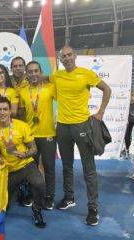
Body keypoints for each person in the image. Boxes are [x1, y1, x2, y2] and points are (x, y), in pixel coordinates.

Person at [40, 46, 111, 226]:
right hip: (63, 127)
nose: (67, 58)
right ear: (60, 60)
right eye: (63, 56)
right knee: (66, 165)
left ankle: (93, 208)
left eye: (69, 55)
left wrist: (101, 112)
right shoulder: (58, 75)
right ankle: (69, 197)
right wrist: (23, 77)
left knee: (89, 169)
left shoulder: (86, 74)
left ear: (75, 56)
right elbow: (41, 77)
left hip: (82, 126)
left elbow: (107, 89)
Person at [0, 97, 46, 228]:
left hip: (26, 165)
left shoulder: (22, 126)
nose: (2, 112)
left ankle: (37, 210)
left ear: (10, 111)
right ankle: (21, 189)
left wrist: (25, 154)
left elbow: (34, 148)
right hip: (9, 170)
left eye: (5, 109)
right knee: (6, 206)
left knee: (39, 183)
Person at [18, 61, 57, 210]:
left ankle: (49, 197)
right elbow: (21, 114)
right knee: (30, 168)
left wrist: (47, 77)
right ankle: (31, 194)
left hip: (48, 135)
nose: (33, 74)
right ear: (26, 74)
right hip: (30, 137)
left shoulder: (49, 88)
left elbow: (58, 80)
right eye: (30, 71)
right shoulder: (22, 92)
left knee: (49, 167)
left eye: (36, 71)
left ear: (40, 72)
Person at [124, 88, 134, 154]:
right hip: (133, 118)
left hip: (127, 118)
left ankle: (126, 148)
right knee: (129, 133)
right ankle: (127, 148)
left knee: (126, 134)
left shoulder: (127, 99)